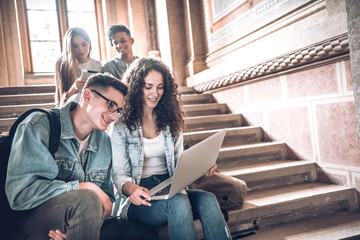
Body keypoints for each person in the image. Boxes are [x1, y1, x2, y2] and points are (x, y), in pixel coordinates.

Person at [5, 73, 159, 240]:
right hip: (31, 222)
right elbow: (20, 195)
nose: (114, 116)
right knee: (88, 198)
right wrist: (83, 186)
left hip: (81, 218)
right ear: (87, 96)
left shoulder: (105, 142)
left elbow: (106, 201)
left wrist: (78, 227)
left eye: (119, 111)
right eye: (111, 105)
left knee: (143, 234)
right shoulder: (39, 125)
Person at [110, 57, 232, 240]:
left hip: (169, 186)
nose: (155, 93)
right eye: (148, 86)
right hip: (138, 196)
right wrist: (131, 189)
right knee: (178, 202)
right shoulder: (120, 126)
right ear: (136, 88)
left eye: (160, 87)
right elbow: (119, 174)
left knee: (208, 199)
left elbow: (178, 164)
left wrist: (201, 167)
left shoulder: (169, 121)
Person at [55, 27, 103, 106]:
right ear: (69, 47)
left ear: (89, 43)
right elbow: (61, 101)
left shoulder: (97, 65)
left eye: (84, 44)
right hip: (70, 107)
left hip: (91, 106)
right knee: (77, 97)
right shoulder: (62, 64)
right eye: (75, 46)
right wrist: (74, 88)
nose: (80, 49)